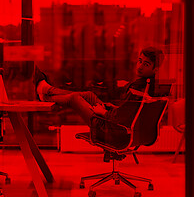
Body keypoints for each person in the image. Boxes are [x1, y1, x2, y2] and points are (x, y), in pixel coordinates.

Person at [34, 47, 164, 147]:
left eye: (146, 64)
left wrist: (104, 112)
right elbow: (129, 113)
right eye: (139, 61)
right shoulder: (152, 87)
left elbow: (122, 118)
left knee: (75, 98)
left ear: (155, 70)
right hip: (120, 126)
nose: (140, 66)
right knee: (89, 95)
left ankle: (46, 95)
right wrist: (111, 108)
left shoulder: (139, 89)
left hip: (113, 132)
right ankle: (47, 91)